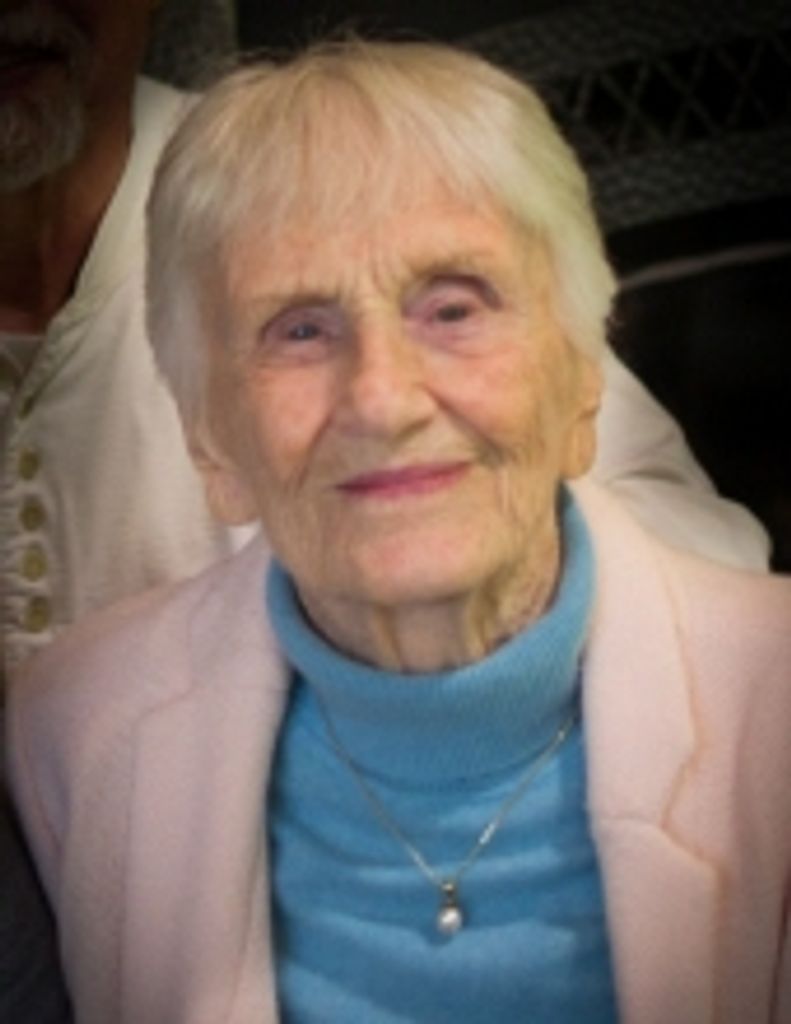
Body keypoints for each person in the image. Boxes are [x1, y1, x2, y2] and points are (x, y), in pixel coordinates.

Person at [8, 40, 791, 1024]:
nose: (381, 398)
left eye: (452, 308)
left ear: (582, 384)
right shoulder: (79, 732)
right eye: (299, 330)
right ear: (211, 441)